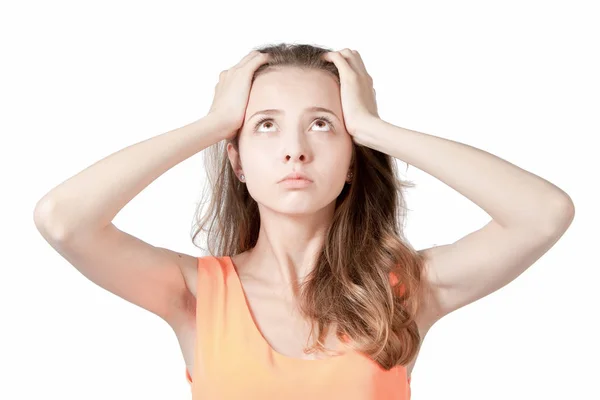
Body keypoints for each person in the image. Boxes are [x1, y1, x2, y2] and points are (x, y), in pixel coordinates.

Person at [33, 43, 575, 399]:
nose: (295, 149)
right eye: (266, 125)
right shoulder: (197, 294)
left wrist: (375, 128)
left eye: (322, 124)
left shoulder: (400, 293)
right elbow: (62, 220)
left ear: (351, 155)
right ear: (238, 160)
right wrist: (215, 122)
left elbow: (543, 213)